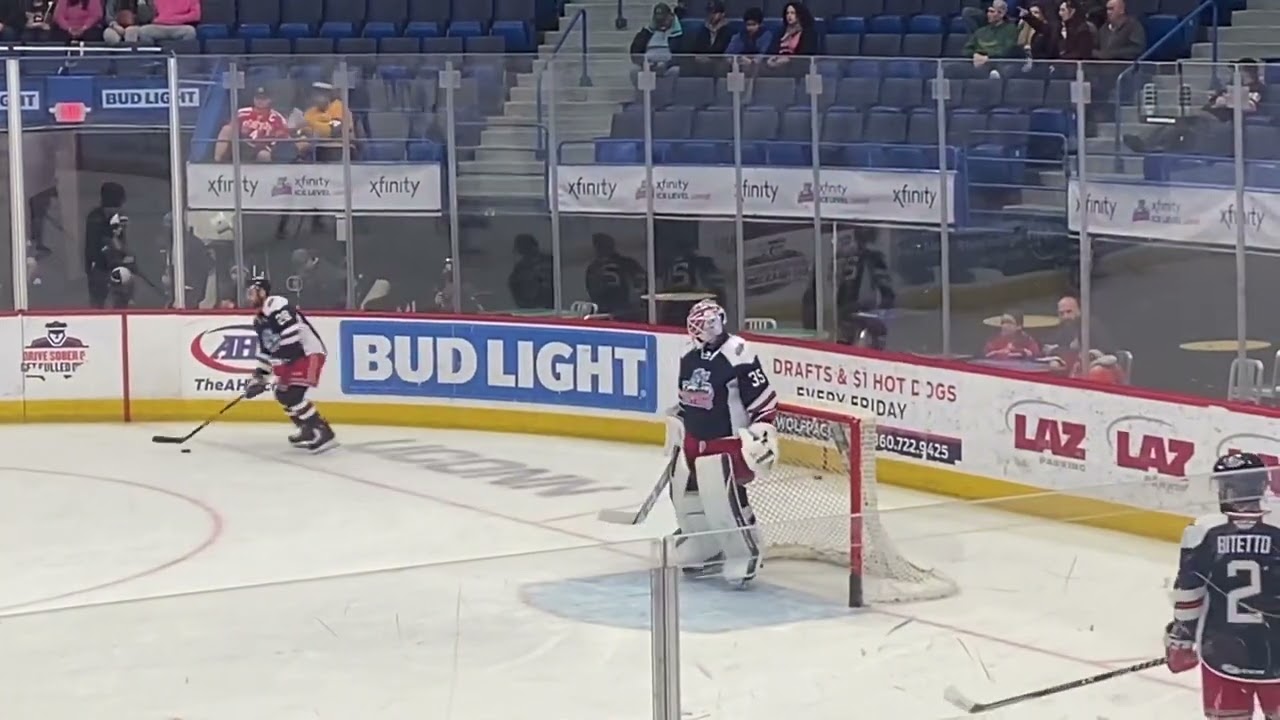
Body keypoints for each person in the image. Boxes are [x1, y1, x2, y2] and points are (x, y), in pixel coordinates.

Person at [667, 298, 778, 587]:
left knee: (721, 498)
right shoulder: (689, 354)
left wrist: (763, 429)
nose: (699, 331)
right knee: (684, 495)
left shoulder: (737, 352)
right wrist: (678, 420)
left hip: (724, 442)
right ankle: (705, 546)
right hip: (694, 440)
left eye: (703, 325)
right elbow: (685, 398)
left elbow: (763, 401)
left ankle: (744, 552)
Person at [1165, 452, 1280, 719]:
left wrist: (1181, 640)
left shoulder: (1203, 530)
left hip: (1224, 654)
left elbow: (1189, 594)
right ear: (1262, 485)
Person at [243, 276, 337, 452]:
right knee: (282, 394)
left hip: (308, 353)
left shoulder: (274, 303)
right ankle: (306, 429)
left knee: (293, 395)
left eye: (252, 292)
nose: (249, 297)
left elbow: (291, 332)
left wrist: (280, 361)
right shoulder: (259, 320)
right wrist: (259, 377)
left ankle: (323, 431)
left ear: (262, 292)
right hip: (294, 357)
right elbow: (267, 350)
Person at [1125, 59, 1263, 154]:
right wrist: (1217, 99)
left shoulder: (1256, 88)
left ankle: (1150, 144)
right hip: (1209, 115)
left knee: (1185, 119)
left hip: (1224, 120)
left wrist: (1226, 101)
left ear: (1246, 72)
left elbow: (1251, 106)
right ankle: (1148, 143)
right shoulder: (1230, 85)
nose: (1233, 73)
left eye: (1236, 70)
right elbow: (1214, 101)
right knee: (1176, 122)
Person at [214, 86, 290, 163]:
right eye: (257, 98)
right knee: (226, 129)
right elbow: (230, 128)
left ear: (270, 100)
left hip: (262, 148)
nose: (260, 101)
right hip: (242, 145)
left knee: (264, 155)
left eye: (263, 99)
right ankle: (217, 163)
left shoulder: (277, 117)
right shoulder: (242, 112)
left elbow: (283, 137)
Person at [83, 181, 127, 309]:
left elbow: (122, 244)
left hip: (117, 268)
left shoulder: (119, 218)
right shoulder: (96, 218)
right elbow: (98, 244)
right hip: (100, 268)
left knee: (120, 303)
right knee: (98, 305)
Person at [585, 232, 646, 321]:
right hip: (611, 311)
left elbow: (643, 281)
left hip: (623, 311)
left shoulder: (593, 267)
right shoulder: (626, 262)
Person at [959, 0, 1019, 77]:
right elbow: (966, 49)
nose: (988, 14)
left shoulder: (1011, 29)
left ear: (1001, 14)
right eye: (988, 11)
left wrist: (988, 58)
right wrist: (974, 55)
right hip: (977, 60)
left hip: (996, 61)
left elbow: (1007, 49)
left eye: (991, 11)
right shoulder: (981, 31)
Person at [630, 3, 684, 79]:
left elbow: (681, 55)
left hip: (667, 66)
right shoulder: (646, 33)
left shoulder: (679, 33)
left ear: (671, 17)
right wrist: (644, 63)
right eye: (659, 21)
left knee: (675, 71)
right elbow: (635, 51)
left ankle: (666, 90)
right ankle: (644, 90)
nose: (662, 23)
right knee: (635, 71)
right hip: (648, 65)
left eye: (664, 20)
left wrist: (666, 64)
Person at [762, 2, 816, 77]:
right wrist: (770, 59)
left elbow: (805, 56)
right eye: (787, 13)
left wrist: (788, 60)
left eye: (792, 13)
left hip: (796, 66)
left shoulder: (808, 33)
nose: (789, 16)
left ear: (800, 15)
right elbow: (771, 50)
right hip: (777, 63)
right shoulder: (780, 31)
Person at [681, 0, 733, 77]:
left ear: (723, 14)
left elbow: (723, 50)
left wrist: (709, 58)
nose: (711, 15)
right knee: (687, 65)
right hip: (703, 63)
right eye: (709, 12)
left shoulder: (729, 31)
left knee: (721, 67)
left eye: (714, 13)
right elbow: (695, 48)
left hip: (719, 63)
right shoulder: (703, 29)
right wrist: (698, 56)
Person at [507, 233, 554, 309]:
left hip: (551, 309)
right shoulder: (520, 267)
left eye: (523, 247)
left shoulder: (550, 261)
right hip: (530, 310)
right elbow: (514, 284)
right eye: (520, 248)